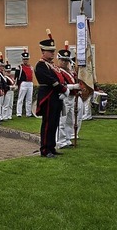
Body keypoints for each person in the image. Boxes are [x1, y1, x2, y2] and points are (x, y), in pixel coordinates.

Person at [34, 29, 69, 158]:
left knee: (54, 123)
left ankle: (52, 147)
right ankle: (45, 149)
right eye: (50, 51)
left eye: (53, 51)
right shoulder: (41, 65)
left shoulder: (52, 65)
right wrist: (63, 89)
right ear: (43, 51)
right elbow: (50, 80)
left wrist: (63, 87)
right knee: (48, 123)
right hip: (48, 96)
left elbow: (59, 78)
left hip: (55, 96)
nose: (53, 53)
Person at [55, 43, 82, 149]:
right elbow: (62, 85)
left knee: (70, 120)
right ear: (59, 60)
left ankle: (67, 139)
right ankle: (60, 141)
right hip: (64, 97)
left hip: (72, 98)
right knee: (62, 120)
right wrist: (73, 87)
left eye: (66, 61)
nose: (65, 62)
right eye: (63, 60)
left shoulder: (70, 72)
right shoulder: (58, 71)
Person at [15, 49, 34, 118]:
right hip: (23, 83)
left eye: (26, 59)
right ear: (22, 59)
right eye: (24, 59)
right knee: (21, 98)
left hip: (30, 83)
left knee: (29, 99)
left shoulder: (31, 67)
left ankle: (28, 113)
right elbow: (16, 76)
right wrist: (17, 84)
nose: (25, 60)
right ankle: (19, 113)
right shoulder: (19, 67)